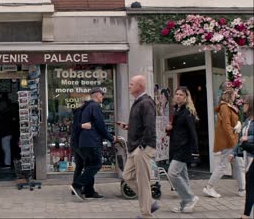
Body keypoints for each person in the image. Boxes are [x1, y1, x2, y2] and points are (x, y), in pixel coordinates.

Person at [118, 75, 160, 218]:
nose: (129, 86)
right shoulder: (138, 102)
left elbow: (150, 127)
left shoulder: (146, 103)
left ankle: (146, 214)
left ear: (140, 86)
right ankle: (151, 202)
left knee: (143, 182)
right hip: (135, 147)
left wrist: (142, 147)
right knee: (127, 176)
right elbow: (141, 125)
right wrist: (129, 127)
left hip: (141, 148)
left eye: (132, 84)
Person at [70, 87, 116, 200]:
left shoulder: (85, 107)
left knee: (89, 166)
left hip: (84, 142)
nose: (103, 97)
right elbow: (101, 125)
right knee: (96, 165)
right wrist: (111, 138)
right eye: (102, 95)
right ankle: (77, 185)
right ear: (97, 95)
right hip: (92, 142)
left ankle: (89, 191)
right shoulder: (95, 106)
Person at [203, 87, 245, 198]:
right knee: (223, 165)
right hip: (230, 141)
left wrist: (237, 125)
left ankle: (242, 189)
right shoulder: (225, 108)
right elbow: (226, 126)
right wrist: (233, 140)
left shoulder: (226, 107)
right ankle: (209, 187)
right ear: (230, 96)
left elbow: (229, 124)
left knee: (239, 165)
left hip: (231, 140)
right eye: (234, 95)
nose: (235, 97)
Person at [165, 87, 200, 213]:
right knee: (183, 177)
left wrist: (195, 151)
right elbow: (177, 130)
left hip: (183, 148)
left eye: (181, 95)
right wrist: (169, 128)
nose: (178, 96)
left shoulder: (188, 112)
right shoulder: (177, 110)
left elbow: (192, 133)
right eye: (177, 94)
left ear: (186, 97)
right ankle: (185, 203)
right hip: (175, 147)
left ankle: (190, 198)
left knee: (172, 174)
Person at [70, 99, 91, 197]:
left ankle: (75, 188)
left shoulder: (78, 112)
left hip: (76, 142)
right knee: (88, 164)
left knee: (79, 165)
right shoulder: (80, 113)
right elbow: (76, 127)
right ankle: (81, 187)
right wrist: (83, 126)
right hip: (79, 143)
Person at [239, 95, 254, 219]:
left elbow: (246, 138)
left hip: (252, 156)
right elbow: (240, 138)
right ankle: (246, 214)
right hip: (248, 155)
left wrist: (246, 139)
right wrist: (234, 152)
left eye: (244, 103)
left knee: (250, 186)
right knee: (250, 186)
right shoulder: (247, 121)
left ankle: (245, 215)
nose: (243, 105)